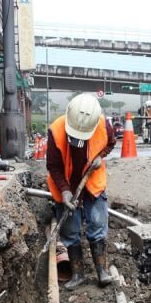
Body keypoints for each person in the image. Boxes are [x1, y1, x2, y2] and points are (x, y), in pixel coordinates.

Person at [46, 93, 116, 289]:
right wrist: (65, 191)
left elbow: (110, 143)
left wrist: (101, 156)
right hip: (66, 183)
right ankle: (77, 274)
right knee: (70, 228)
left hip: (92, 180)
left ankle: (102, 270)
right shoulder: (56, 131)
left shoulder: (102, 124)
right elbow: (53, 166)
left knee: (97, 223)